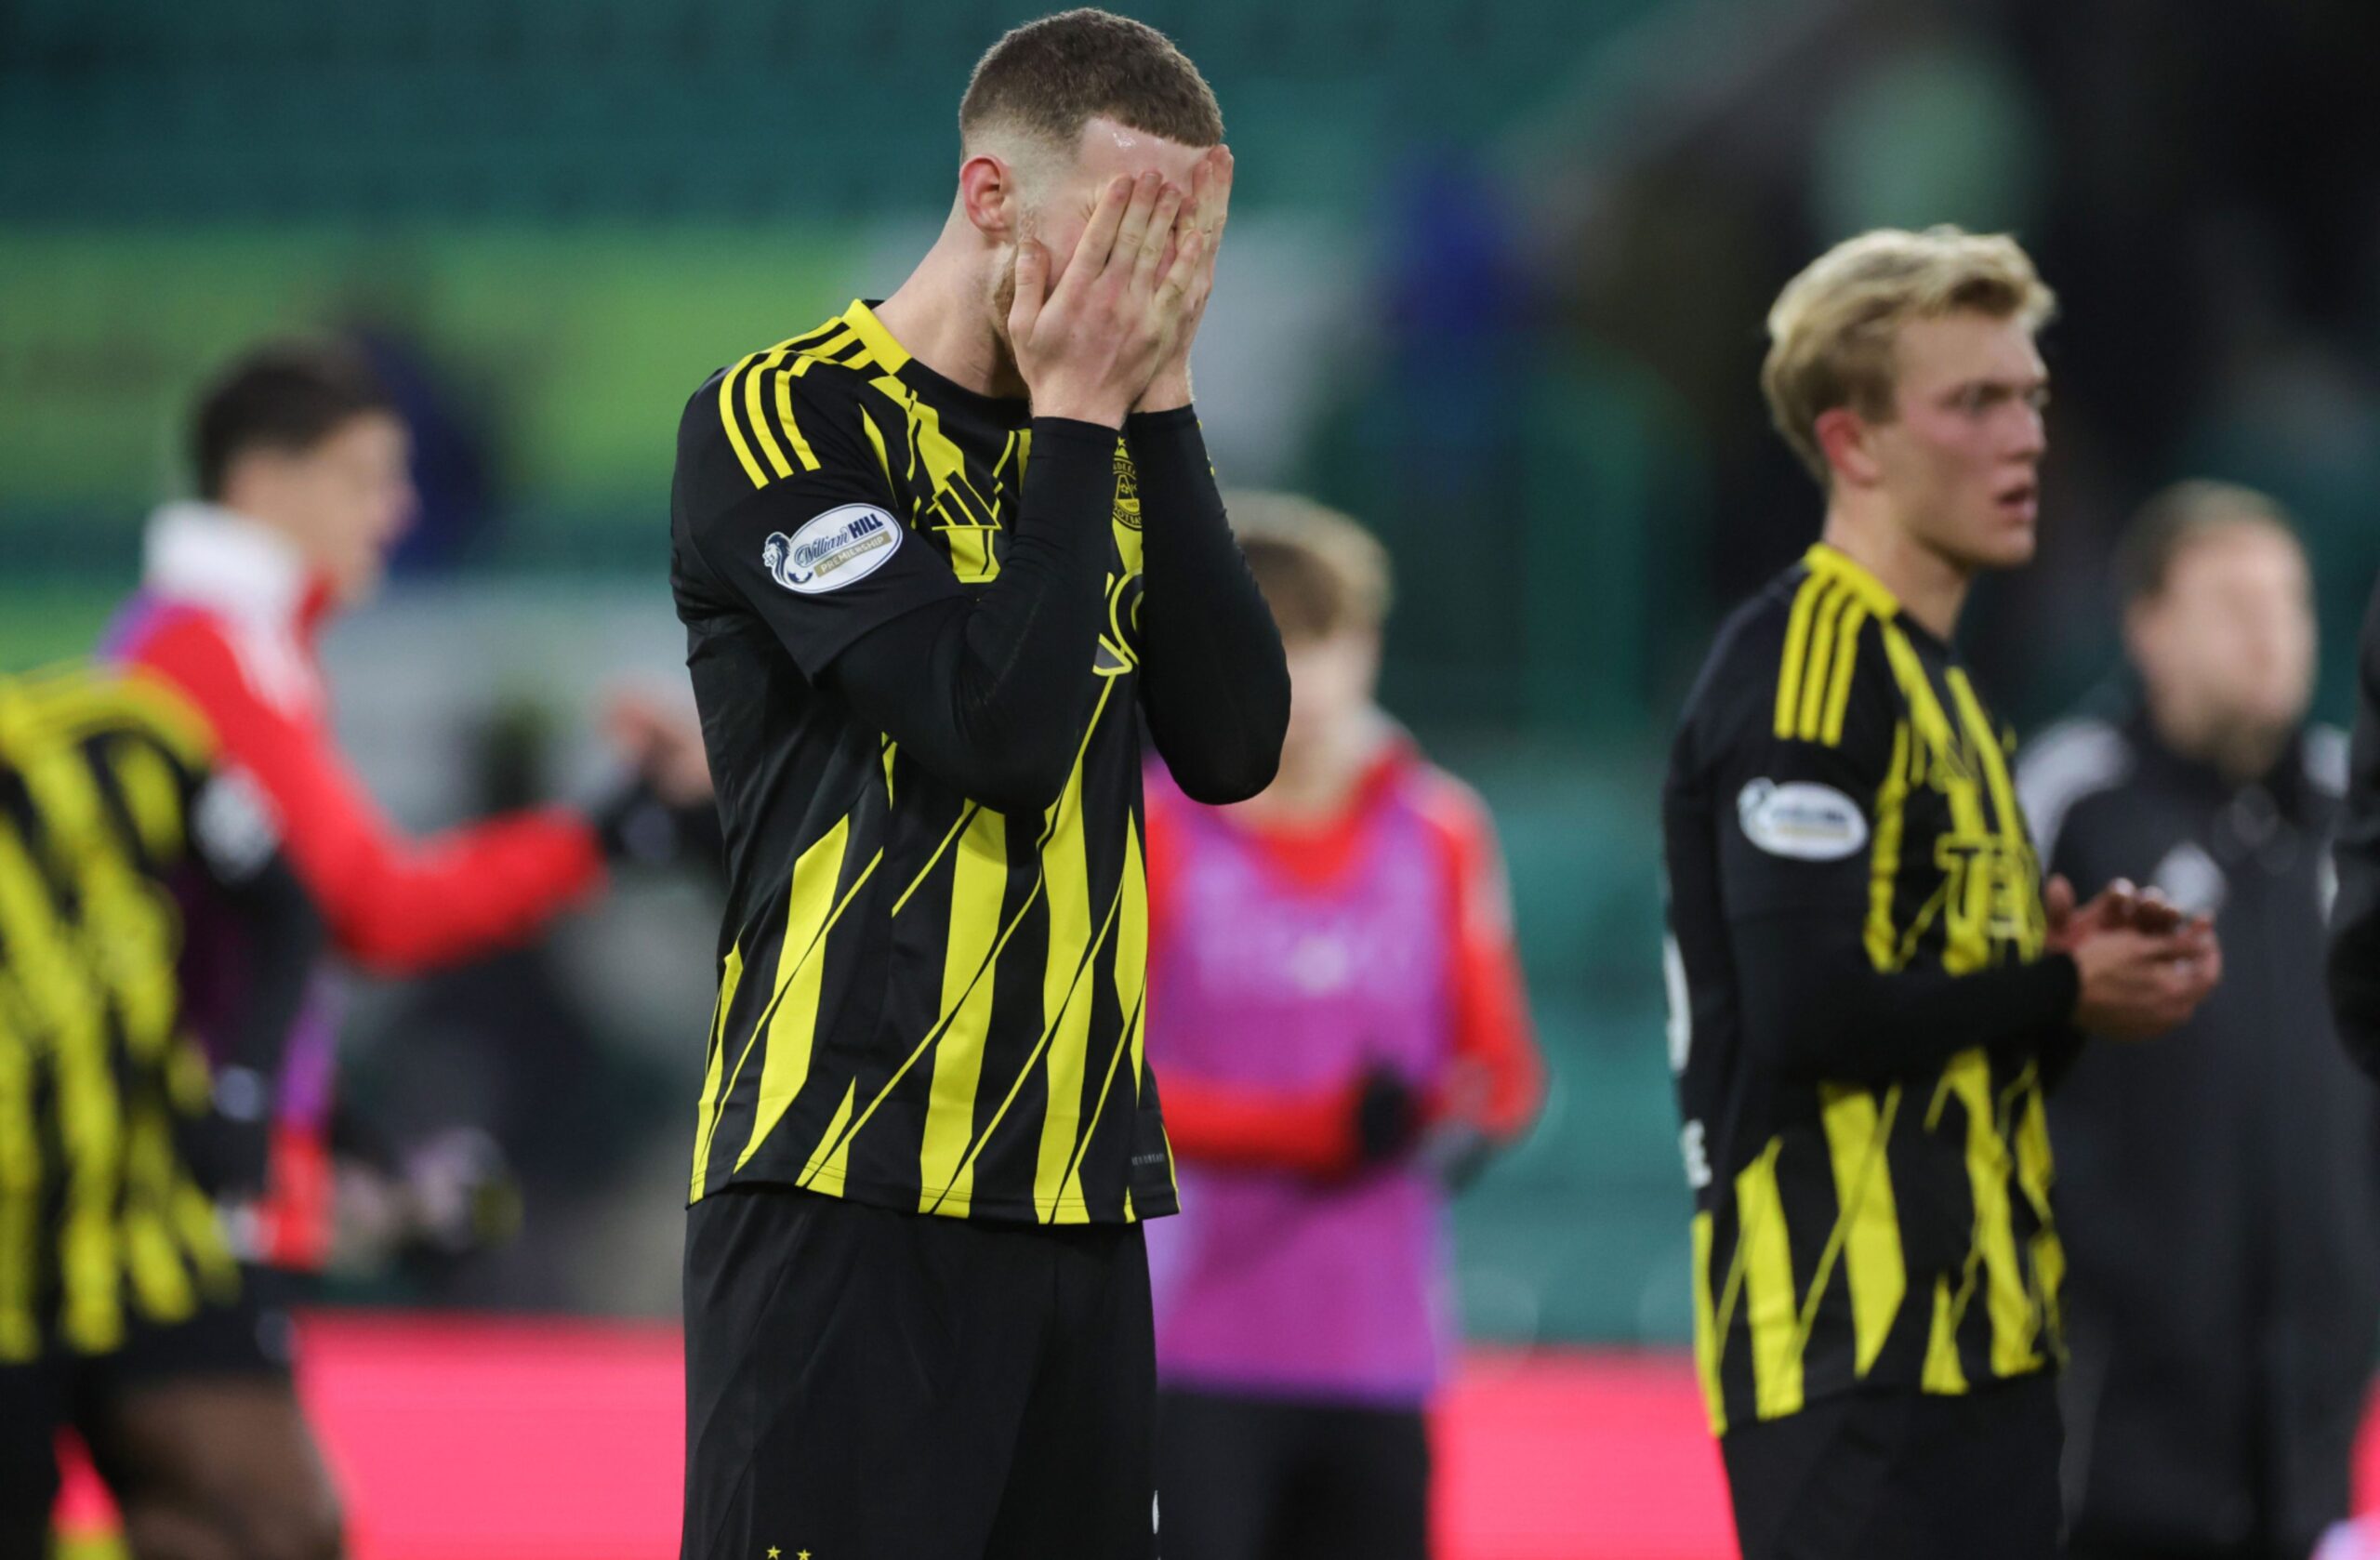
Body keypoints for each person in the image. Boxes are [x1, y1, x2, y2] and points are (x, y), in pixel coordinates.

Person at [668, 11, 1289, 1559]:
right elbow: (994, 732)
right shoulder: (784, 420)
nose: (1137, 289)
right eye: (1119, 236)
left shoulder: (1111, 437)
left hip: (1077, 1198)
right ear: (993, 197)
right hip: (843, 1178)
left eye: (1178, 248)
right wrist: (1082, 411)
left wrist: (1158, 399)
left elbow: (1233, 747)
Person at [1659, 225, 2224, 1560]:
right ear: (1853, 443)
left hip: (1989, 1341)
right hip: (1847, 1354)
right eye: (1975, 400)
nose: (2027, 434)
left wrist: (2074, 984)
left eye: (2030, 394)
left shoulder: (1954, 689)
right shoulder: (1807, 669)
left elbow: (1942, 1031)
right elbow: (1808, 1015)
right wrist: (2058, 982)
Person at [90, 340, 707, 1559]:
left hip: (192, 1179)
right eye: (370, 478)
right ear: (268, 485)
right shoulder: (203, 662)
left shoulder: (221, 649)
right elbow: (377, 909)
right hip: (173, 1196)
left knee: (210, 1523)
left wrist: (355, 1148)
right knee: (280, 1522)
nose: (400, 511)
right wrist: (606, 832)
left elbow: (266, 955)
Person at [1141, 494, 1543, 1560]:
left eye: (1325, 640)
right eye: (1269, 643)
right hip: (1191, 1350)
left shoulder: (1441, 829)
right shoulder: (1154, 831)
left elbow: (1500, 1072)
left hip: (1380, 1351)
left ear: (1366, 647)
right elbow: (1100, 1087)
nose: (1303, 681)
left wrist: (1435, 1119)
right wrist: (1314, 1131)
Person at [2019, 483, 2377, 1560]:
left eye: (2289, 602)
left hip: (2311, 1412)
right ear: (2148, 627)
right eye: (2231, 602)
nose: (2270, 633)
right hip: (2114, 1410)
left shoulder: (2347, 808)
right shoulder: (2069, 800)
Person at [0, 665, 319, 1558]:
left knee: (285, 1527)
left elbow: (286, 907)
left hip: (146, 1229)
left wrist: (248, 1088)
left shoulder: (130, 738)